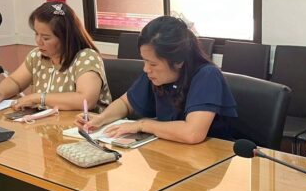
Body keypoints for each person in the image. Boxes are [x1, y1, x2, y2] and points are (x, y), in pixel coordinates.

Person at [75, 15, 237, 144]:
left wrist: (142, 124)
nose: (146, 69)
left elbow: (192, 133)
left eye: (153, 63)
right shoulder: (156, 75)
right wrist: (102, 118)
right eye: (145, 61)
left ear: (178, 61)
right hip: (171, 152)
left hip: (209, 159)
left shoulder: (207, 76)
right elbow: (125, 103)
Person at [0, 2, 111, 112]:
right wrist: (0, 93)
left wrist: (38, 98)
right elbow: (15, 81)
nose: (38, 41)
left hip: (82, 128)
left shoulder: (86, 58)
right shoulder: (37, 56)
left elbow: (86, 100)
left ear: (66, 37)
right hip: (48, 126)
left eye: (46, 38)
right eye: (36, 34)